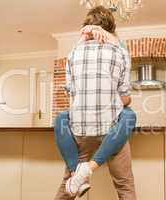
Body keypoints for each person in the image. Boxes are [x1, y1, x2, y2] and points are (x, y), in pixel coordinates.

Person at [54, 6, 137, 200]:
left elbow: (73, 93)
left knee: (69, 184)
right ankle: (83, 173)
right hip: (112, 129)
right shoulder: (120, 53)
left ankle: (78, 174)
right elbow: (125, 97)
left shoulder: (72, 55)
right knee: (125, 185)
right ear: (111, 29)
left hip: (80, 130)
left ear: (87, 27)